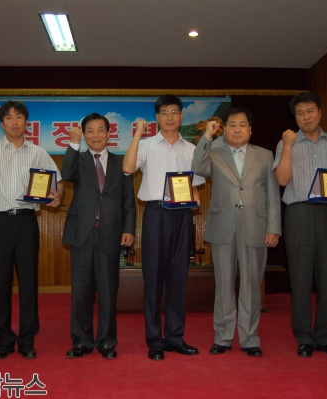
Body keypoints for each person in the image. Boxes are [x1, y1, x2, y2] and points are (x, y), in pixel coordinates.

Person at [0, 100, 63, 360]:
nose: (15, 122)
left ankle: (27, 339)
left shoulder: (38, 152)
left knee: (29, 281)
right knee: (0, 283)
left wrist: (57, 194)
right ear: (1, 123)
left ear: (26, 122)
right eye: (9, 118)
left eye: (19, 117)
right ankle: (4, 339)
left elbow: (57, 180)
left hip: (26, 221)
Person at [191, 107, 281, 357]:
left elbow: (273, 193)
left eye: (243, 124)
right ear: (224, 129)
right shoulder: (215, 153)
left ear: (250, 130)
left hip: (256, 226)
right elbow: (197, 167)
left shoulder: (264, 155)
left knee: (252, 285)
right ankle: (223, 336)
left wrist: (273, 227)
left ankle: (250, 337)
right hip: (224, 226)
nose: (238, 129)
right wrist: (207, 137)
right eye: (232, 125)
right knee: (224, 285)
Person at [123, 94, 205, 361]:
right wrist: (137, 134)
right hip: (156, 212)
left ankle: (175, 336)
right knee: (154, 277)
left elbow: (196, 186)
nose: (170, 117)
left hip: (182, 215)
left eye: (174, 112)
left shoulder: (191, 149)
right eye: (164, 112)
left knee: (179, 277)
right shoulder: (146, 145)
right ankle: (154, 339)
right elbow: (127, 168)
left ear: (181, 116)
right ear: (157, 117)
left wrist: (195, 197)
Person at [273, 92, 327, 358]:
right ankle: (305, 337)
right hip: (299, 214)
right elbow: (282, 180)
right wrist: (286, 147)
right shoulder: (288, 142)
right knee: (301, 279)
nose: (306, 116)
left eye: (310, 111)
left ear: (320, 111)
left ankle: (326, 336)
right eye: (300, 113)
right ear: (294, 117)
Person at [62, 113, 136, 360]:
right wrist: (73, 144)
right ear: (84, 135)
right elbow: (67, 174)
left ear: (108, 133)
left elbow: (128, 200)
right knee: (81, 292)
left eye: (100, 130)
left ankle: (106, 341)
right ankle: (81, 341)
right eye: (90, 131)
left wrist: (129, 229)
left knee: (107, 291)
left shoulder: (121, 163)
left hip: (110, 234)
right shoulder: (78, 159)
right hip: (82, 234)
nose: (95, 135)